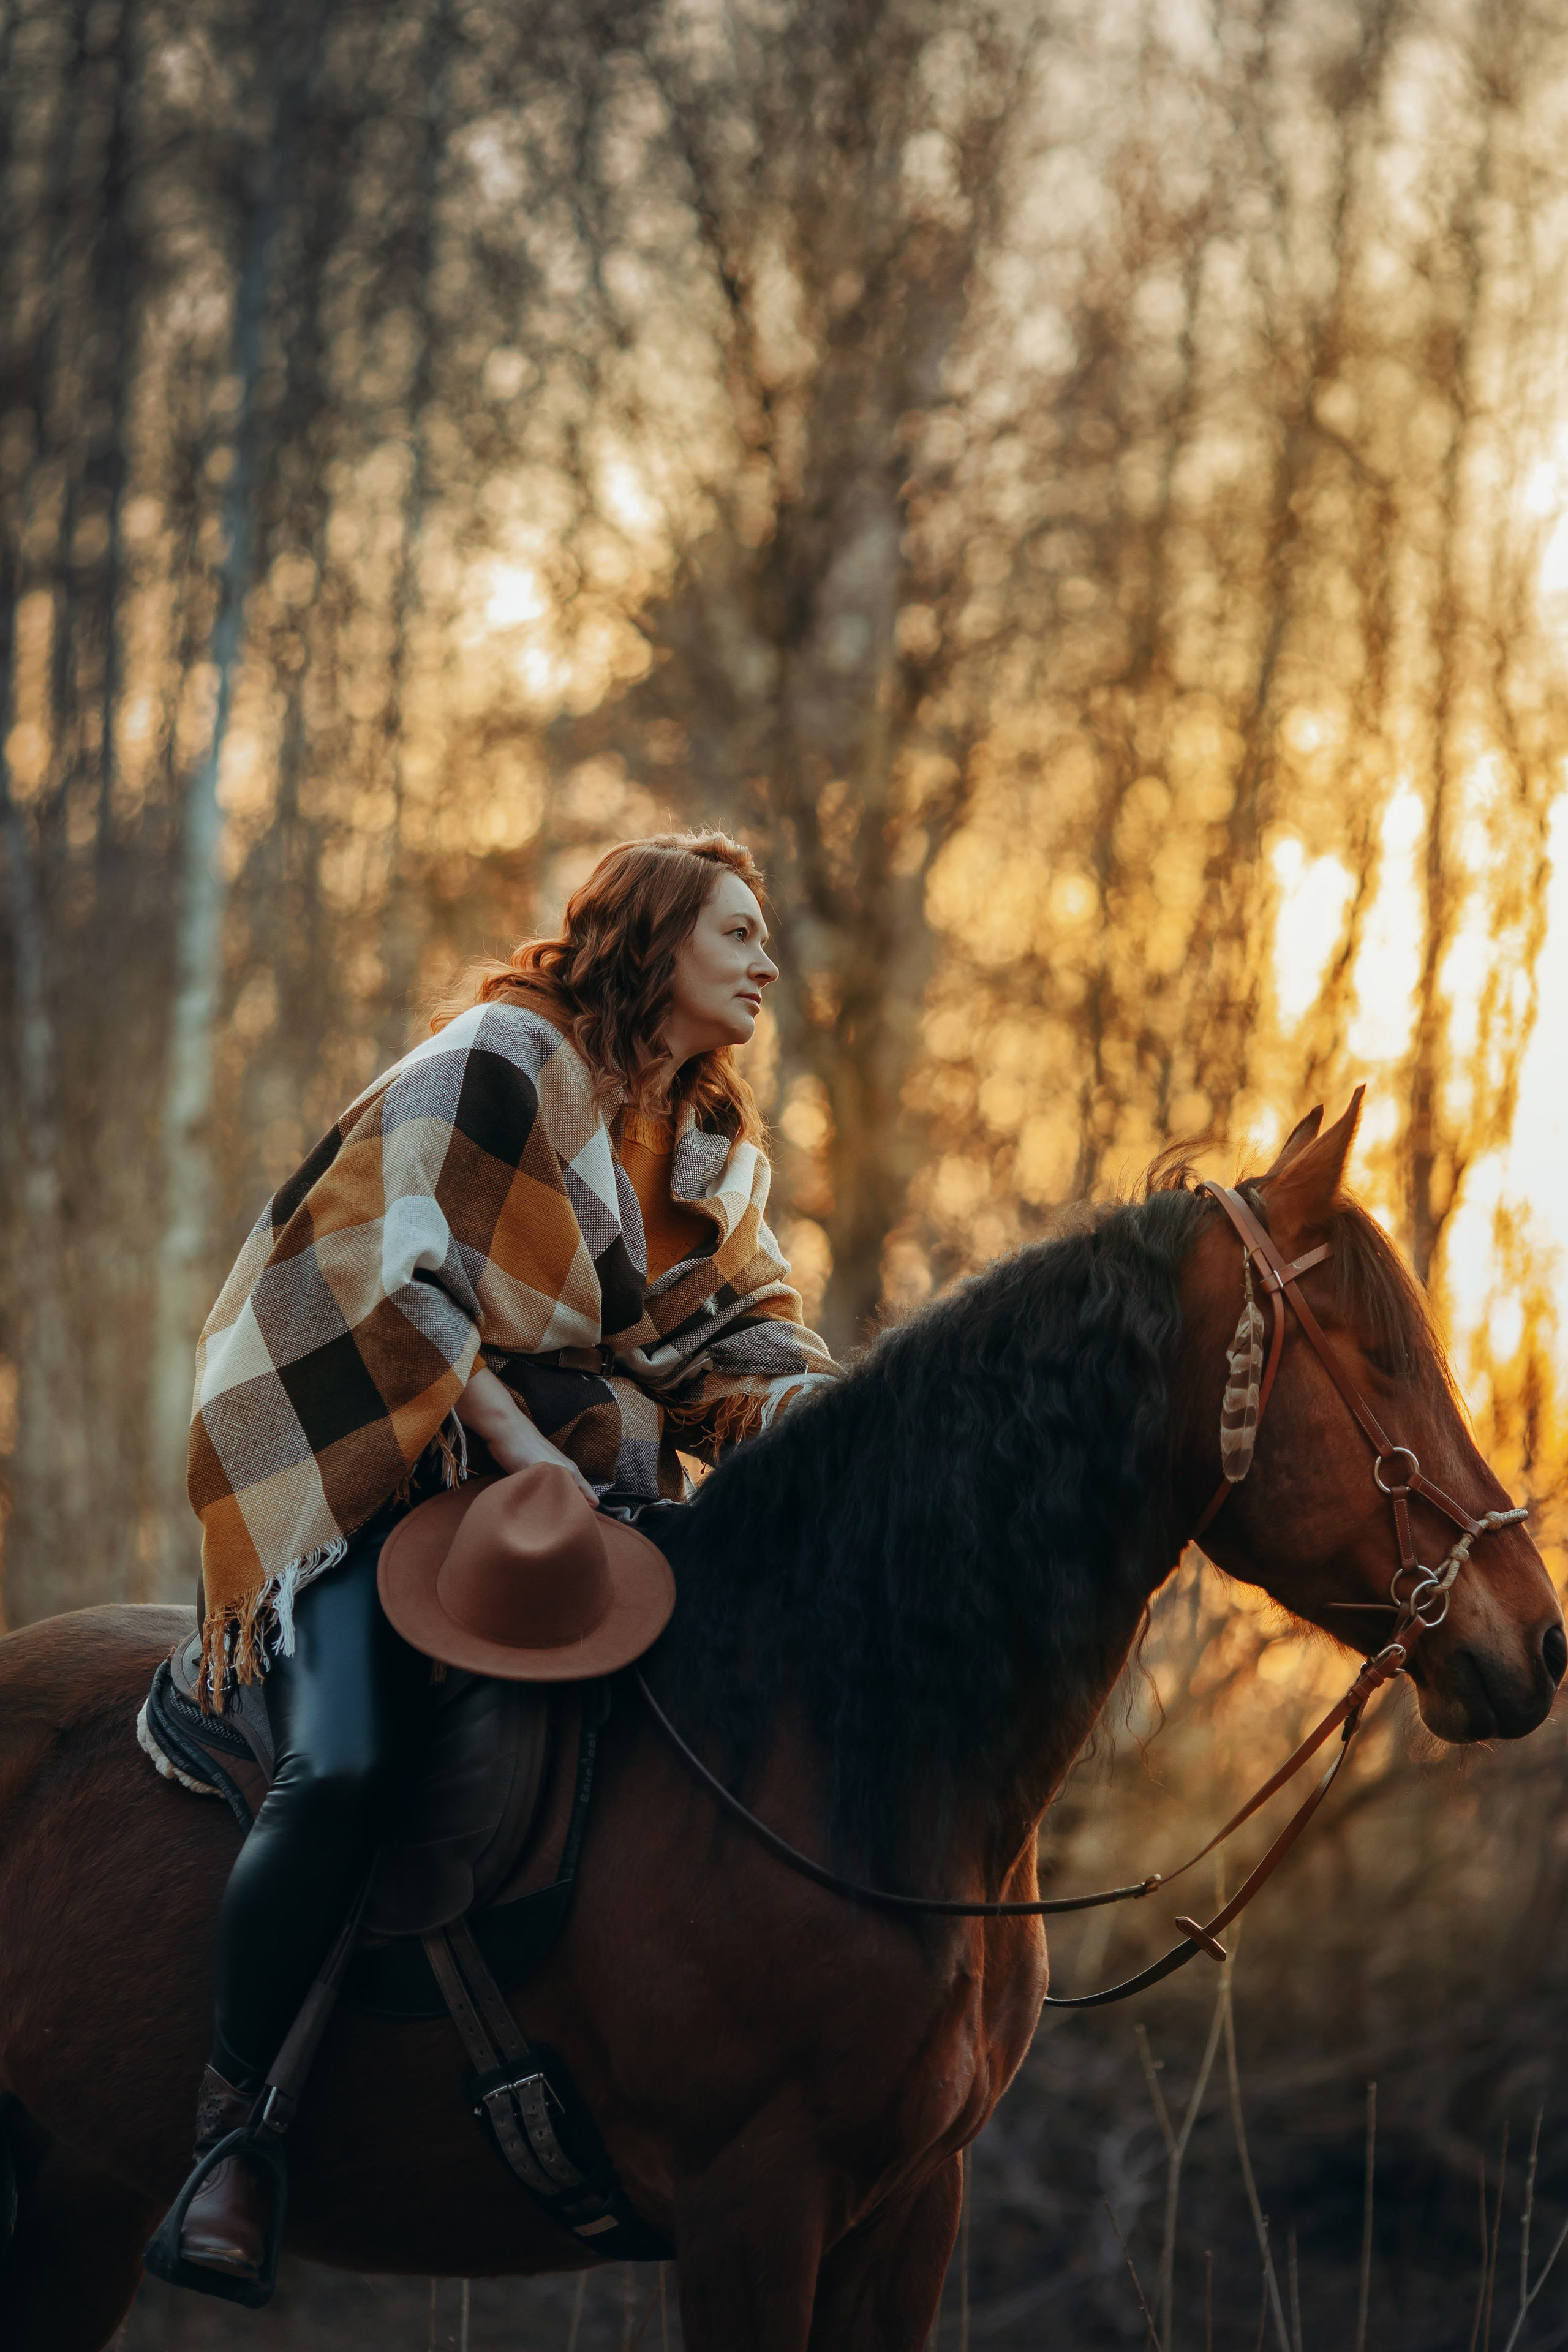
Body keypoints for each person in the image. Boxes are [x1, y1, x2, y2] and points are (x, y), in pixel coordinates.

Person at [172, 829, 837, 2282]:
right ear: (654, 943)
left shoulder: (717, 1155)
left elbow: (746, 1352)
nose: (765, 963)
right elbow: (381, 1272)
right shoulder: (496, 1057)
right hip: (383, 1462)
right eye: (736, 934)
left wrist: (868, 1433)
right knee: (344, 1765)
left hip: (567, 1508)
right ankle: (233, 2136)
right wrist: (525, 1448)